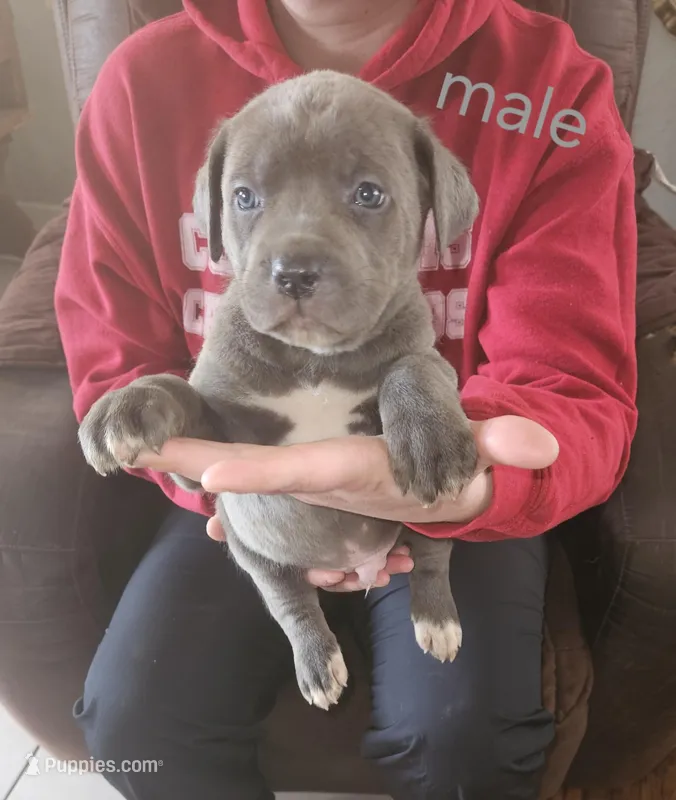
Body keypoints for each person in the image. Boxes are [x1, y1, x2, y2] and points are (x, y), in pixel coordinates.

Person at [53, 0, 638, 797]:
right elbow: (113, 353)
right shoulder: (140, 86)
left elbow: (570, 384)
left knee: (464, 733)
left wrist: (470, 488)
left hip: (445, 475)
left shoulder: (548, 90)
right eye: (249, 200)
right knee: (132, 724)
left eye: (369, 195)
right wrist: (201, 472)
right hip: (239, 493)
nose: (294, 251)